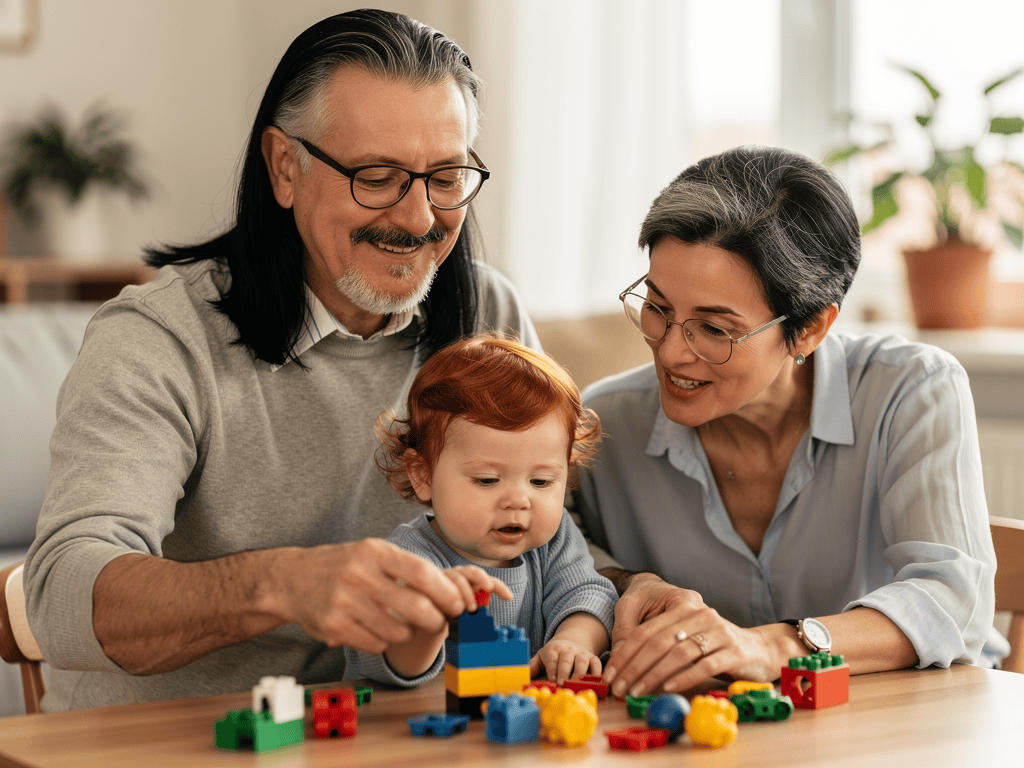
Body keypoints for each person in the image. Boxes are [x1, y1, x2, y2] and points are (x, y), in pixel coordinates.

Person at [24, 9, 540, 711]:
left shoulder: (489, 314)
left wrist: (640, 594)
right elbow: (60, 596)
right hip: (164, 744)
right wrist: (280, 585)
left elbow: (557, 536)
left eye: (445, 177)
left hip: (391, 740)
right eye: (378, 176)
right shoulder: (157, 338)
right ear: (285, 168)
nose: (420, 219)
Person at [572, 146, 1001, 701]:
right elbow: (553, 554)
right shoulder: (605, 422)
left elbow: (955, 601)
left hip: (919, 717)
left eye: (715, 330)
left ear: (811, 329)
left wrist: (771, 647)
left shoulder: (910, 391)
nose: (671, 352)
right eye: (658, 308)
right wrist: (631, 582)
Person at [344, 335, 617, 686]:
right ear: (423, 475)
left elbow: (590, 594)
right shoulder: (410, 560)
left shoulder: (555, 538)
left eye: (541, 481)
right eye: (487, 480)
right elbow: (390, 657)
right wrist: (431, 618)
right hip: (427, 719)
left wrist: (574, 641)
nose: (518, 500)